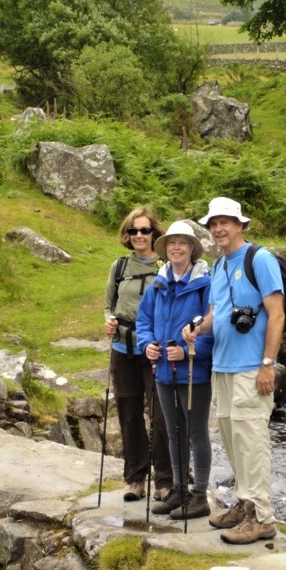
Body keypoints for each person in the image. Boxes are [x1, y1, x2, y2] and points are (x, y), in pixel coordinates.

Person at [182, 196, 285, 544]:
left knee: (252, 442)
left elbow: (277, 314)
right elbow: (216, 315)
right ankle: (244, 503)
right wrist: (198, 326)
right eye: (213, 224)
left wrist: (267, 365)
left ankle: (262, 518)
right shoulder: (220, 265)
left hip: (250, 368)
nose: (218, 229)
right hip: (222, 367)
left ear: (240, 225)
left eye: (224, 222)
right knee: (232, 440)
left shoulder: (261, 259)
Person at [137, 221, 213, 519]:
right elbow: (144, 319)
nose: (177, 247)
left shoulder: (205, 285)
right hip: (163, 371)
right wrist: (147, 345)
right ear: (165, 249)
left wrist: (187, 351)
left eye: (183, 243)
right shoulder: (158, 283)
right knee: (173, 432)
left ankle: (200, 496)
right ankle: (179, 490)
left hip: (194, 372)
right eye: (172, 243)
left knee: (197, 432)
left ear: (193, 249)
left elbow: (213, 328)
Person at [104, 206, 173, 502]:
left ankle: (165, 480)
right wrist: (108, 320)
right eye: (133, 231)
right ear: (127, 234)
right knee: (129, 413)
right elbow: (109, 304)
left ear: (155, 233)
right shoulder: (119, 267)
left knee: (161, 414)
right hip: (122, 349)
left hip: (155, 350)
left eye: (145, 230)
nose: (139, 235)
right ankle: (135, 479)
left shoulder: (167, 267)